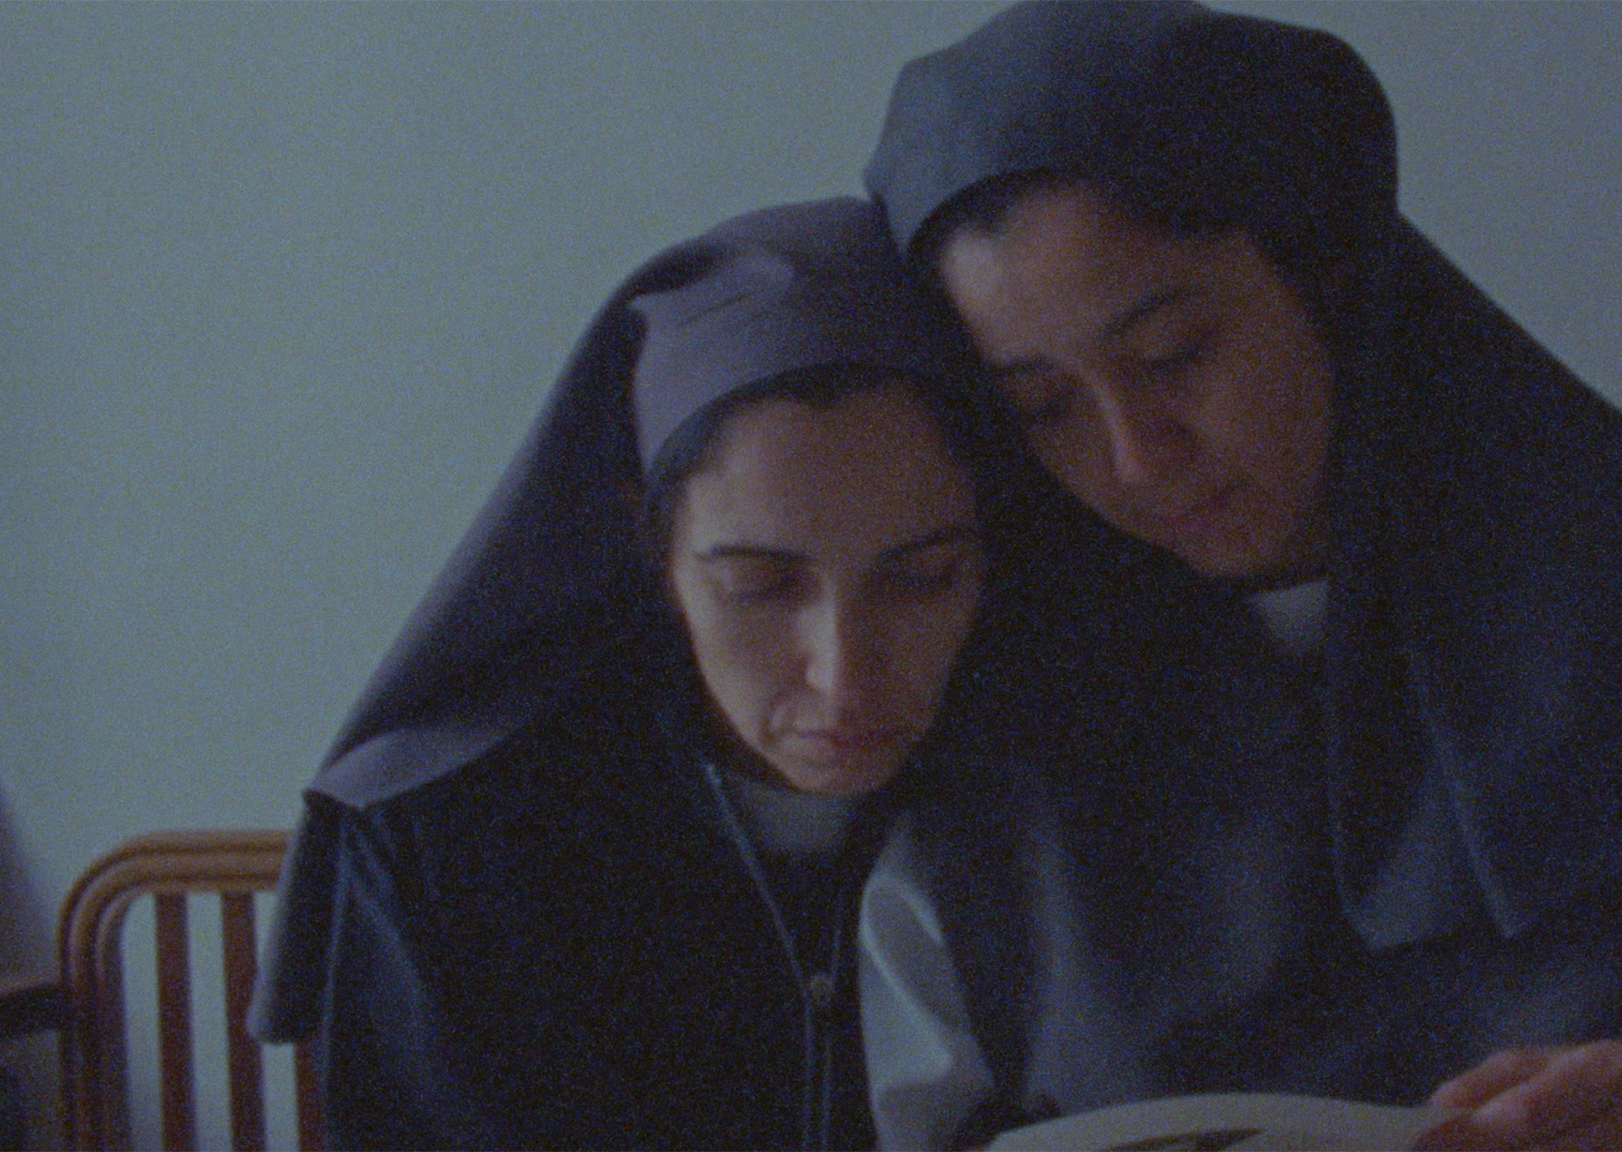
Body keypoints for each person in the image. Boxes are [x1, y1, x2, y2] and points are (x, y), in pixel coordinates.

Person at [857, 3, 1622, 1150]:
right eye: (1042, 406)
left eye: (1170, 354)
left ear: (1324, 271)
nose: (1136, 457)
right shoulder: (975, 676)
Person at [248, 197, 1041, 1149]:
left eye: (922, 578)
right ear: (651, 546)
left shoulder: (1085, 795)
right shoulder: (446, 849)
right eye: (758, 586)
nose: (844, 679)